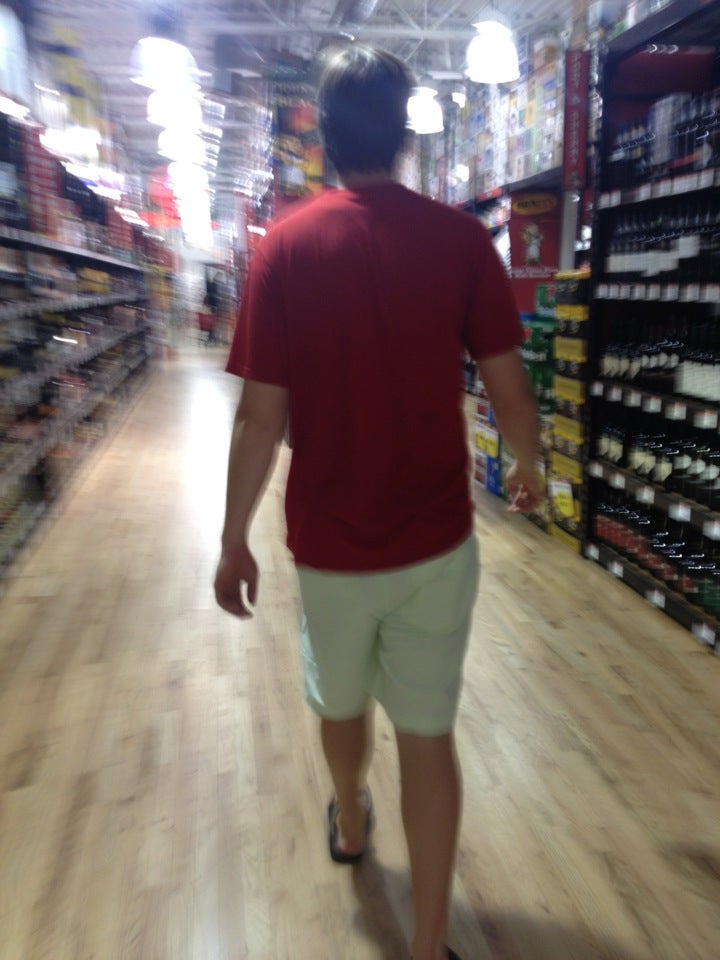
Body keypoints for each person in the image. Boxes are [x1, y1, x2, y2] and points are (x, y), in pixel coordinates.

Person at [214, 45, 543, 960]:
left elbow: (258, 417)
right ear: (404, 135)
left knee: (340, 701)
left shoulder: (284, 248)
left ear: (321, 133)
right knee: (429, 737)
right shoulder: (461, 241)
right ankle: (431, 942)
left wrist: (233, 539)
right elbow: (509, 385)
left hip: (330, 541)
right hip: (436, 538)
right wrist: (528, 464)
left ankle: (351, 819)